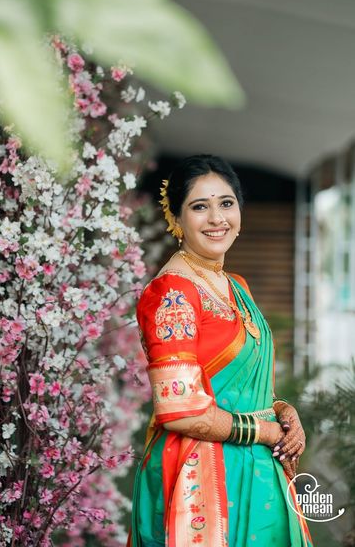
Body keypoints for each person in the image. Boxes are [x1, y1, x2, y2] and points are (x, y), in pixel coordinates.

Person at [127, 155, 313, 547]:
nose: (217, 218)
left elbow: (246, 391)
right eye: (200, 206)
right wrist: (264, 431)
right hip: (199, 479)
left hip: (258, 470)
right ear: (176, 219)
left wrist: (281, 411)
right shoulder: (171, 294)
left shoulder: (236, 285)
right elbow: (181, 410)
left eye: (226, 203)